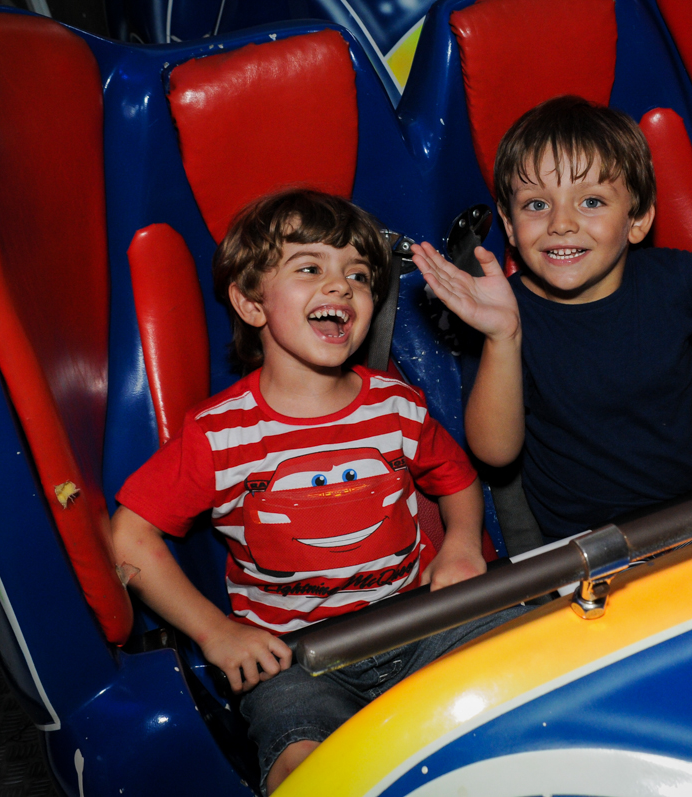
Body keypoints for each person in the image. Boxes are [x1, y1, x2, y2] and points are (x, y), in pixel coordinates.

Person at [111, 189, 524, 794]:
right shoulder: (219, 435)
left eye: (357, 276)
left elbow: (455, 475)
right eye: (310, 269)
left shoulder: (395, 405)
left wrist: (461, 543)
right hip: (299, 662)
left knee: (530, 665)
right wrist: (216, 632)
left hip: (423, 624)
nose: (340, 287)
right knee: (298, 760)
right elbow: (129, 534)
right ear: (252, 304)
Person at [413, 95, 692, 541]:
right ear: (508, 223)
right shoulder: (502, 313)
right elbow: (495, 453)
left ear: (637, 220)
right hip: (590, 549)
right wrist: (503, 336)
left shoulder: (677, 279)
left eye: (592, 202)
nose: (561, 223)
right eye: (537, 205)